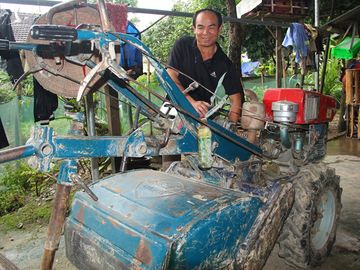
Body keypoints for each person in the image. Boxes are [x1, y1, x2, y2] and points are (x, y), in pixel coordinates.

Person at [167, 8, 244, 123]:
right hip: (172, 111)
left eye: (211, 27)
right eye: (200, 27)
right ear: (194, 29)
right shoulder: (183, 45)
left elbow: (236, 99)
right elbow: (170, 76)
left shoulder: (225, 64)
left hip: (204, 121)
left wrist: (230, 128)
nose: (205, 33)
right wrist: (191, 103)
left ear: (219, 29)